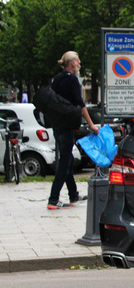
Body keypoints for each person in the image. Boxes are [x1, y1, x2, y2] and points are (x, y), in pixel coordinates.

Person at [47, 51, 99, 210]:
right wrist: (91, 124)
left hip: (57, 125)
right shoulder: (72, 80)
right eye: (78, 62)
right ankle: (53, 199)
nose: (80, 65)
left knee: (67, 158)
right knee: (64, 161)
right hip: (67, 125)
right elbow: (80, 103)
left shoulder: (57, 79)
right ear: (72, 64)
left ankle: (73, 195)